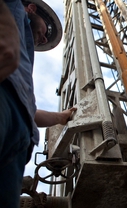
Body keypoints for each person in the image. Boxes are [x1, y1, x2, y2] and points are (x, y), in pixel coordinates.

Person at [0, 1, 75, 207]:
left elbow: (28, 111)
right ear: (31, 8)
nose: (43, 38)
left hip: (19, 144)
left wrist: (61, 117)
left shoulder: (23, 61)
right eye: (45, 31)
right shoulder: (13, 11)